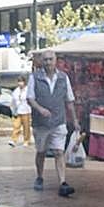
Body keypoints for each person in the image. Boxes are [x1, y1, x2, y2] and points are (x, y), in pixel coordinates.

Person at [27, 51, 79, 197]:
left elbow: (69, 100)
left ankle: (63, 182)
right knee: (41, 151)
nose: (48, 62)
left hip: (58, 121)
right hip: (41, 123)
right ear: (41, 61)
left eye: (51, 59)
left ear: (56, 60)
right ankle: (39, 176)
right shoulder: (34, 77)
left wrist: (75, 120)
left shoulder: (63, 77)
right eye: (45, 60)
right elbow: (30, 98)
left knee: (59, 152)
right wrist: (40, 109)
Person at [9, 76, 32, 147]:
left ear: (24, 82)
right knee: (16, 126)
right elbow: (13, 102)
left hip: (26, 111)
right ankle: (13, 140)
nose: (20, 83)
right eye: (19, 81)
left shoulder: (28, 90)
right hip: (18, 111)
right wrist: (13, 110)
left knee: (26, 127)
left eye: (21, 81)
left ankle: (26, 140)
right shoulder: (16, 91)